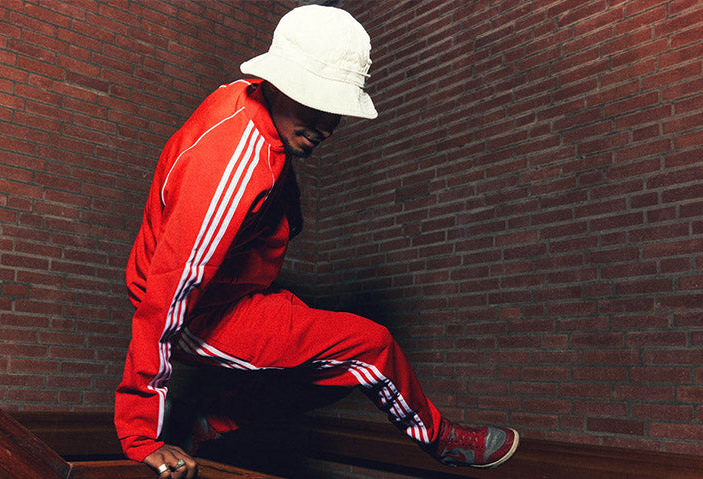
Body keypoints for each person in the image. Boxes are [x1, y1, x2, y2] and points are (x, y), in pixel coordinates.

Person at [114, 5, 519, 478]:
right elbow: (169, 294)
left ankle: (211, 420)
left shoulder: (243, 98)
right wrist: (141, 437)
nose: (325, 127)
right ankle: (444, 439)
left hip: (231, 292)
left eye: (335, 111)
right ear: (278, 84)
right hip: (192, 311)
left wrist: (287, 214)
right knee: (370, 347)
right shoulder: (232, 167)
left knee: (337, 360)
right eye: (314, 104)